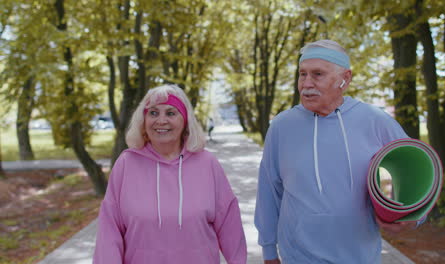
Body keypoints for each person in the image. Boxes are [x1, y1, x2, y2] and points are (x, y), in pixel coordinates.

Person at [254, 40, 423, 264]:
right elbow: (269, 190)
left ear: (346, 78)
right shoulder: (282, 126)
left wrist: (412, 217)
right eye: (302, 74)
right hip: (297, 256)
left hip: (360, 256)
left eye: (317, 74)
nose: (306, 83)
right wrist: (268, 251)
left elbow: (415, 168)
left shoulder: (375, 120)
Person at [93, 84, 247, 264]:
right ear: (143, 120)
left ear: (185, 120)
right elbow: (109, 232)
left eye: (171, 113)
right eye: (153, 113)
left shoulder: (208, 164)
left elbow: (230, 227)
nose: (161, 120)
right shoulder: (126, 164)